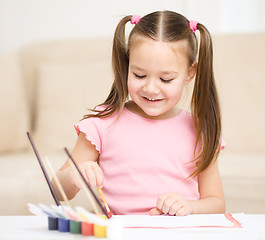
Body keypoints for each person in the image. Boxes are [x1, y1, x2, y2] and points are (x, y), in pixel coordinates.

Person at [53, 10, 226, 216]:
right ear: (127, 65)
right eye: (139, 75)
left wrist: (189, 206)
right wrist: (74, 174)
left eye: (166, 79)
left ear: (189, 73)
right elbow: (58, 190)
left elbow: (216, 203)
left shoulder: (200, 130)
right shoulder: (102, 123)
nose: (151, 88)